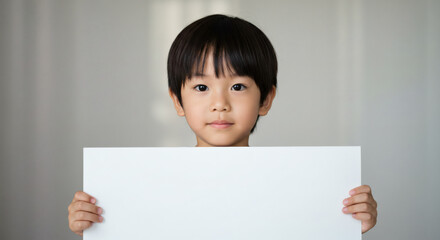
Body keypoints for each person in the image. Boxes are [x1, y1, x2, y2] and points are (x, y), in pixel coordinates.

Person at [68, 14, 378, 236]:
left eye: (238, 87)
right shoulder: (144, 184)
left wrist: (350, 222)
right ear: (178, 101)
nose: (220, 103)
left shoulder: (299, 186)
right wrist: (93, 226)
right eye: (201, 88)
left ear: (266, 100)